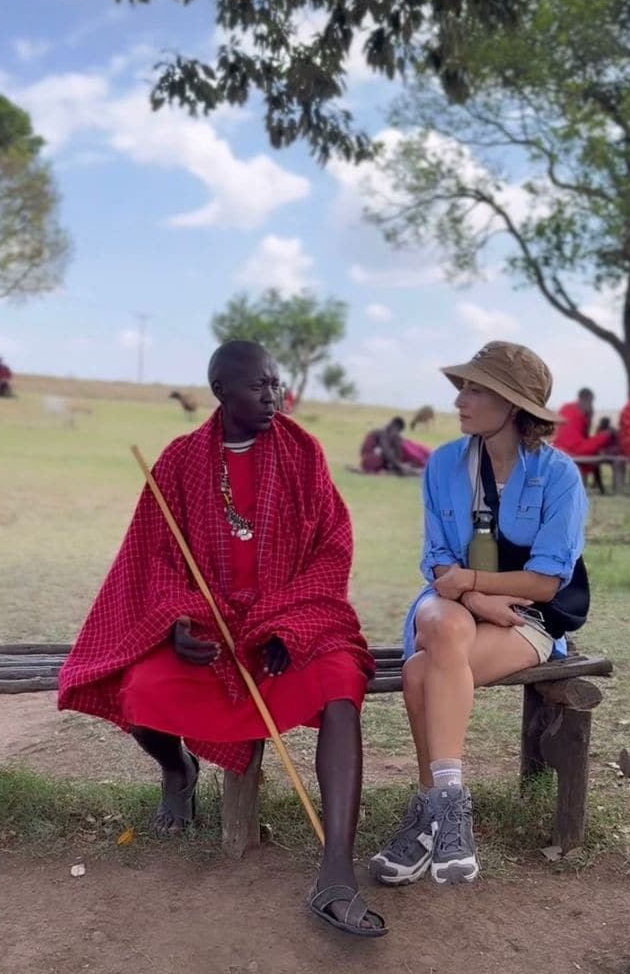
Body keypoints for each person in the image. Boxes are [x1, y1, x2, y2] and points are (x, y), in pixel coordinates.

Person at [58, 340, 385, 938]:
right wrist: (180, 621)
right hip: (210, 629)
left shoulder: (303, 451)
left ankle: (336, 869)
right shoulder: (180, 461)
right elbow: (158, 559)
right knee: (140, 686)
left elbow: (333, 544)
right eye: (258, 386)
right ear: (221, 393)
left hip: (288, 623)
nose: (273, 396)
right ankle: (177, 770)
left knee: (342, 681)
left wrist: (295, 623)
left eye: (277, 383)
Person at [368, 341, 589, 888]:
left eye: (476, 389)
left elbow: (544, 581)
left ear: (512, 406)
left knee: (422, 672)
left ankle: (427, 816)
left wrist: (471, 582)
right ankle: (451, 806)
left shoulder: (558, 476)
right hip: (454, 610)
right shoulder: (444, 463)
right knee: (440, 625)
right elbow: (436, 559)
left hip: (527, 620)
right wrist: (470, 597)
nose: (461, 399)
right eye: (462, 387)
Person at [552, 388, 616, 492]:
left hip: (559, 448)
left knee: (595, 449)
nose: (592, 405)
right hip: (572, 449)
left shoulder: (567, 408)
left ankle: (596, 486)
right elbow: (581, 442)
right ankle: (600, 488)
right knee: (603, 440)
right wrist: (606, 434)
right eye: (591, 402)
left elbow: (583, 436)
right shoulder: (577, 409)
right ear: (586, 399)